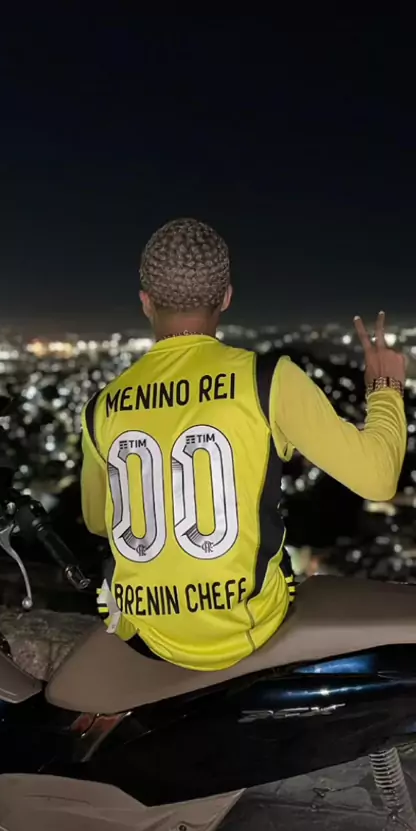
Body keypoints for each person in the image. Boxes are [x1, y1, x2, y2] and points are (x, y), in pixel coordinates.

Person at [81, 218, 407, 672]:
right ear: (226, 298)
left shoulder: (103, 406)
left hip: (149, 637)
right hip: (247, 630)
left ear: (146, 302)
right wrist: (386, 387)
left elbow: (99, 521)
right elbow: (378, 479)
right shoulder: (266, 381)